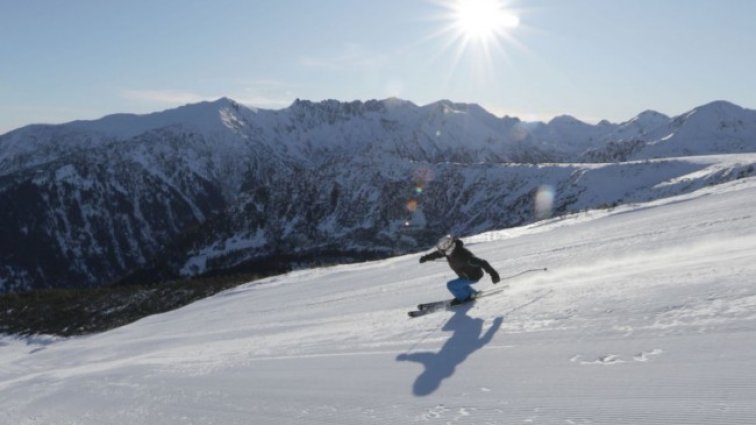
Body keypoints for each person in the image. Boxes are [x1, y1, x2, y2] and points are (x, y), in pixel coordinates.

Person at [419, 235, 500, 304]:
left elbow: (483, 262)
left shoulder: (463, 255)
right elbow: (437, 254)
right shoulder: (450, 252)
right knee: (460, 283)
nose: (441, 250)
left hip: (473, 276)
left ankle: (464, 298)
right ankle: (472, 293)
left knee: (451, 285)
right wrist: (426, 258)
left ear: (449, 246)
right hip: (465, 275)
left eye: (442, 248)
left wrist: (494, 274)